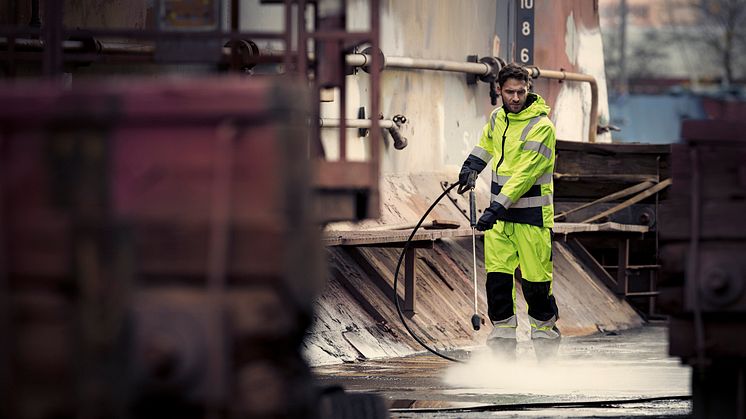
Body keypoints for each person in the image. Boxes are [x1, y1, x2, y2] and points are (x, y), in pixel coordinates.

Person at [457, 63, 560, 358]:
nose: (515, 98)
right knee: (498, 285)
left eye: (520, 92)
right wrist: (471, 166)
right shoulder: (497, 118)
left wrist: (496, 207)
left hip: (531, 220)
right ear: (499, 91)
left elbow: (525, 175)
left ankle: (547, 359)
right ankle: (502, 358)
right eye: (509, 92)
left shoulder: (542, 127)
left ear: (528, 90)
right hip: (500, 221)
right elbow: (486, 144)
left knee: (536, 288)